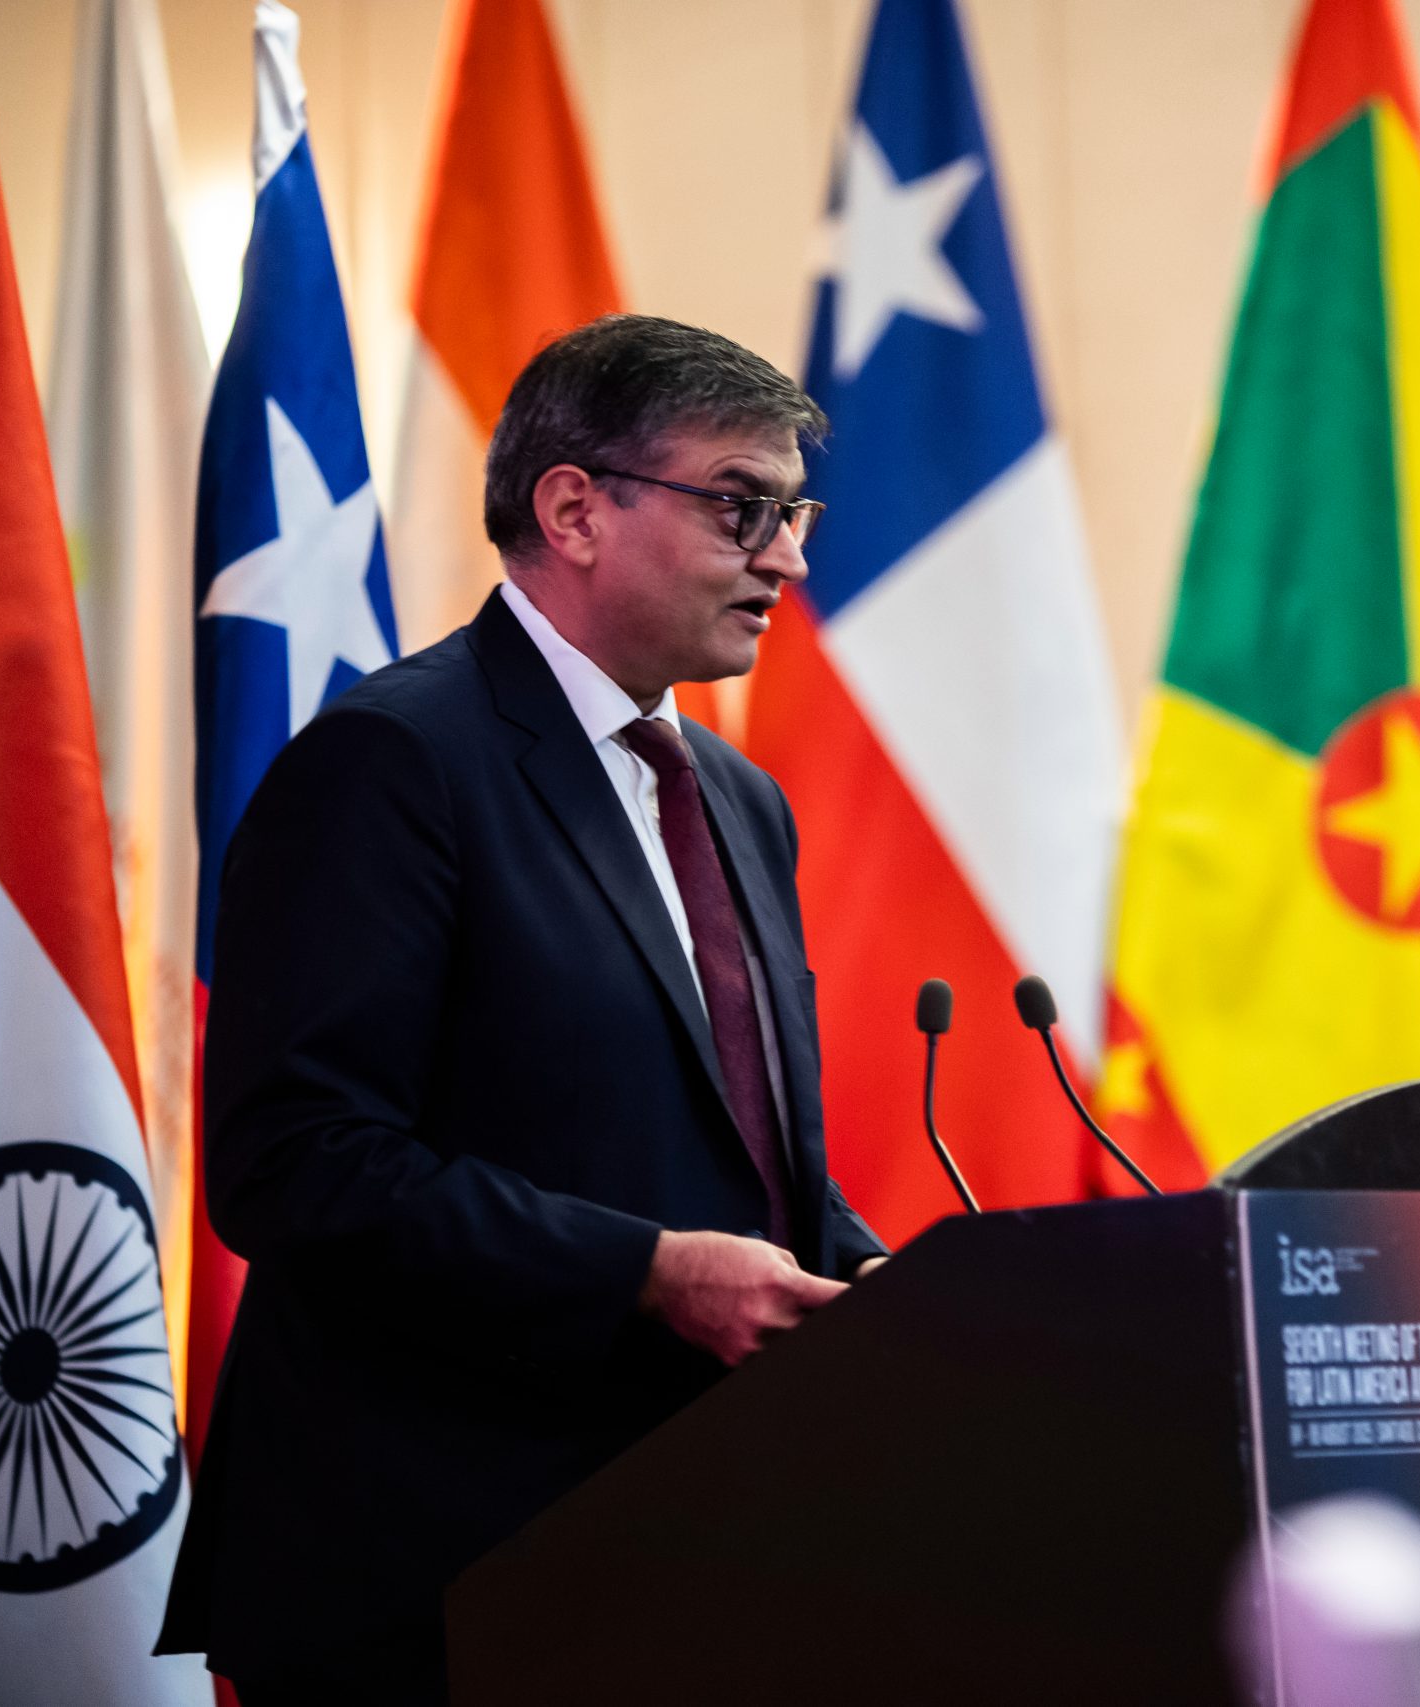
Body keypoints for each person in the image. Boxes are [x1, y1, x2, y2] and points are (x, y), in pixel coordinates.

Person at [158, 315, 888, 1704]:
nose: (787, 560)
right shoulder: (392, 762)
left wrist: (874, 1279)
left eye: (794, 514)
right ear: (575, 511)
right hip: (436, 1574)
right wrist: (650, 1274)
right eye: (742, 506)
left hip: (692, 1551)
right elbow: (296, 1164)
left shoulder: (739, 800)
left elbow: (729, 1141)